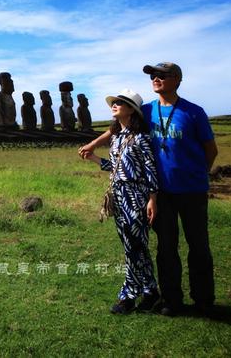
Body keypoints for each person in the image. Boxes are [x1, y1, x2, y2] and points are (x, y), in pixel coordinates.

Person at [79, 62, 218, 317]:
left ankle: (203, 300)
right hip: (160, 192)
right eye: (153, 75)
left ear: (177, 79)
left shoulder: (193, 112)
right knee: (166, 247)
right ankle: (170, 299)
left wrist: (199, 175)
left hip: (192, 190)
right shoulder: (146, 110)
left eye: (162, 75)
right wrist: (93, 144)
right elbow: (115, 129)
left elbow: (211, 149)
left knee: (198, 245)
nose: (156, 78)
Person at [82, 89, 160, 314]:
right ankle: (150, 290)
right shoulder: (116, 138)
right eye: (114, 103)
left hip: (137, 196)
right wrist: (95, 158)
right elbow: (115, 169)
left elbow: (150, 169)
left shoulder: (141, 138)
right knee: (133, 246)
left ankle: (128, 295)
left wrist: (152, 199)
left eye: (120, 103)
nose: (114, 105)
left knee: (135, 246)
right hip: (119, 196)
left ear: (131, 110)